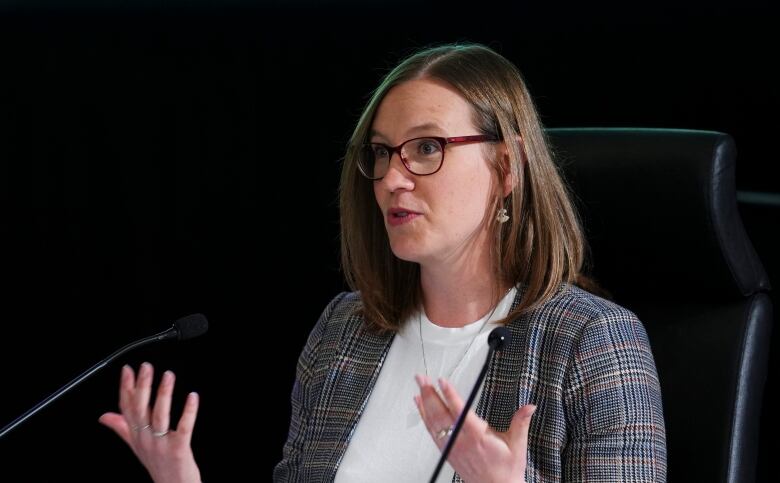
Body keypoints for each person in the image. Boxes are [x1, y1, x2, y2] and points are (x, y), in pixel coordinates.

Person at [101, 43, 667, 482]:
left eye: (426, 148)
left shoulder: (594, 342)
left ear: (508, 166)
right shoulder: (346, 331)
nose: (393, 178)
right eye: (381, 152)